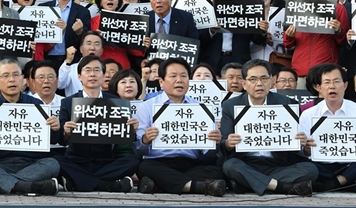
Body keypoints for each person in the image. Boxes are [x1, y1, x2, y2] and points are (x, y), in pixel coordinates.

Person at [220, 59, 317, 196]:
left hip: (277, 165)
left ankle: (248, 183)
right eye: (253, 79)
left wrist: (303, 145)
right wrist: (229, 143)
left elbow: (296, 148)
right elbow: (223, 144)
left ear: (272, 81)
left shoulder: (287, 103)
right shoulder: (230, 105)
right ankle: (282, 187)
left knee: (310, 170)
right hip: (245, 163)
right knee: (230, 166)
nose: (259, 84)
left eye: (264, 78)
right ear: (244, 84)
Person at [0, 59, 60, 195]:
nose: (12, 80)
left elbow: (51, 140)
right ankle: (25, 186)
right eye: (6, 76)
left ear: (23, 79)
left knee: (53, 164)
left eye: (16, 75)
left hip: (30, 163)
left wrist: (55, 128)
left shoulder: (37, 105)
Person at [135, 58, 226, 196]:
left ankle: (159, 185)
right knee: (144, 167)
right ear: (161, 82)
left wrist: (215, 142)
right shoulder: (146, 107)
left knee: (217, 170)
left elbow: (208, 153)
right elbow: (138, 149)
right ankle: (199, 187)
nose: (179, 80)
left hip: (190, 164)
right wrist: (145, 140)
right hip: (158, 163)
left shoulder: (201, 108)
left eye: (183, 76)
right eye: (173, 76)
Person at [56, 55, 138, 192]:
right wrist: (65, 132)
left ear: (104, 75)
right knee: (56, 161)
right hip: (77, 160)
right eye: (87, 70)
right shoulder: (68, 102)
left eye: (97, 70)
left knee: (132, 162)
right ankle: (106, 185)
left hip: (105, 161)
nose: (92, 74)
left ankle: (78, 182)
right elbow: (62, 140)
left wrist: (131, 130)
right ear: (79, 76)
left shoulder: (115, 102)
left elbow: (124, 139)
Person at [285, 0, 349, 89]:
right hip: (300, 71)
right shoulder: (295, 7)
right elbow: (287, 44)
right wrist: (289, 35)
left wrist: (339, 30)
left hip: (326, 72)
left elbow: (344, 42)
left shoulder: (337, 8)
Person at [299, 64, 356, 191]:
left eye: (336, 81)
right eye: (327, 82)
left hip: (350, 165)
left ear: (345, 85)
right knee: (303, 165)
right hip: (320, 166)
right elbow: (303, 151)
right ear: (319, 87)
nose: (332, 86)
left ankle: (335, 183)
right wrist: (307, 149)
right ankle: (344, 183)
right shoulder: (308, 114)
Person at [201, 0, 267, 73]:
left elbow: (257, 40)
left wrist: (263, 31)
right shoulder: (208, 10)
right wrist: (211, 30)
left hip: (240, 60)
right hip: (212, 60)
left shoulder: (248, 10)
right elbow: (198, 36)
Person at [39, 0, 91, 70]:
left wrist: (80, 32)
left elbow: (88, 40)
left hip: (72, 62)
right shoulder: (43, 8)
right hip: (46, 61)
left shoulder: (83, 12)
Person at [91, 0, 143, 70]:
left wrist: (141, 43)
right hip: (100, 67)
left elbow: (135, 51)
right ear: (100, 1)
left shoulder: (127, 22)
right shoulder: (92, 22)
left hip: (122, 67)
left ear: (118, 1)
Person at [59, 31, 105, 96]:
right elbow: (59, 84)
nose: (92, 48)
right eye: (88, 44)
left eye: (96, 44)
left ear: (102, 51)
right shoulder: (70, 68)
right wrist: (68, 61)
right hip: (74, 105)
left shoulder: (106, 69)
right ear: (81, 49)